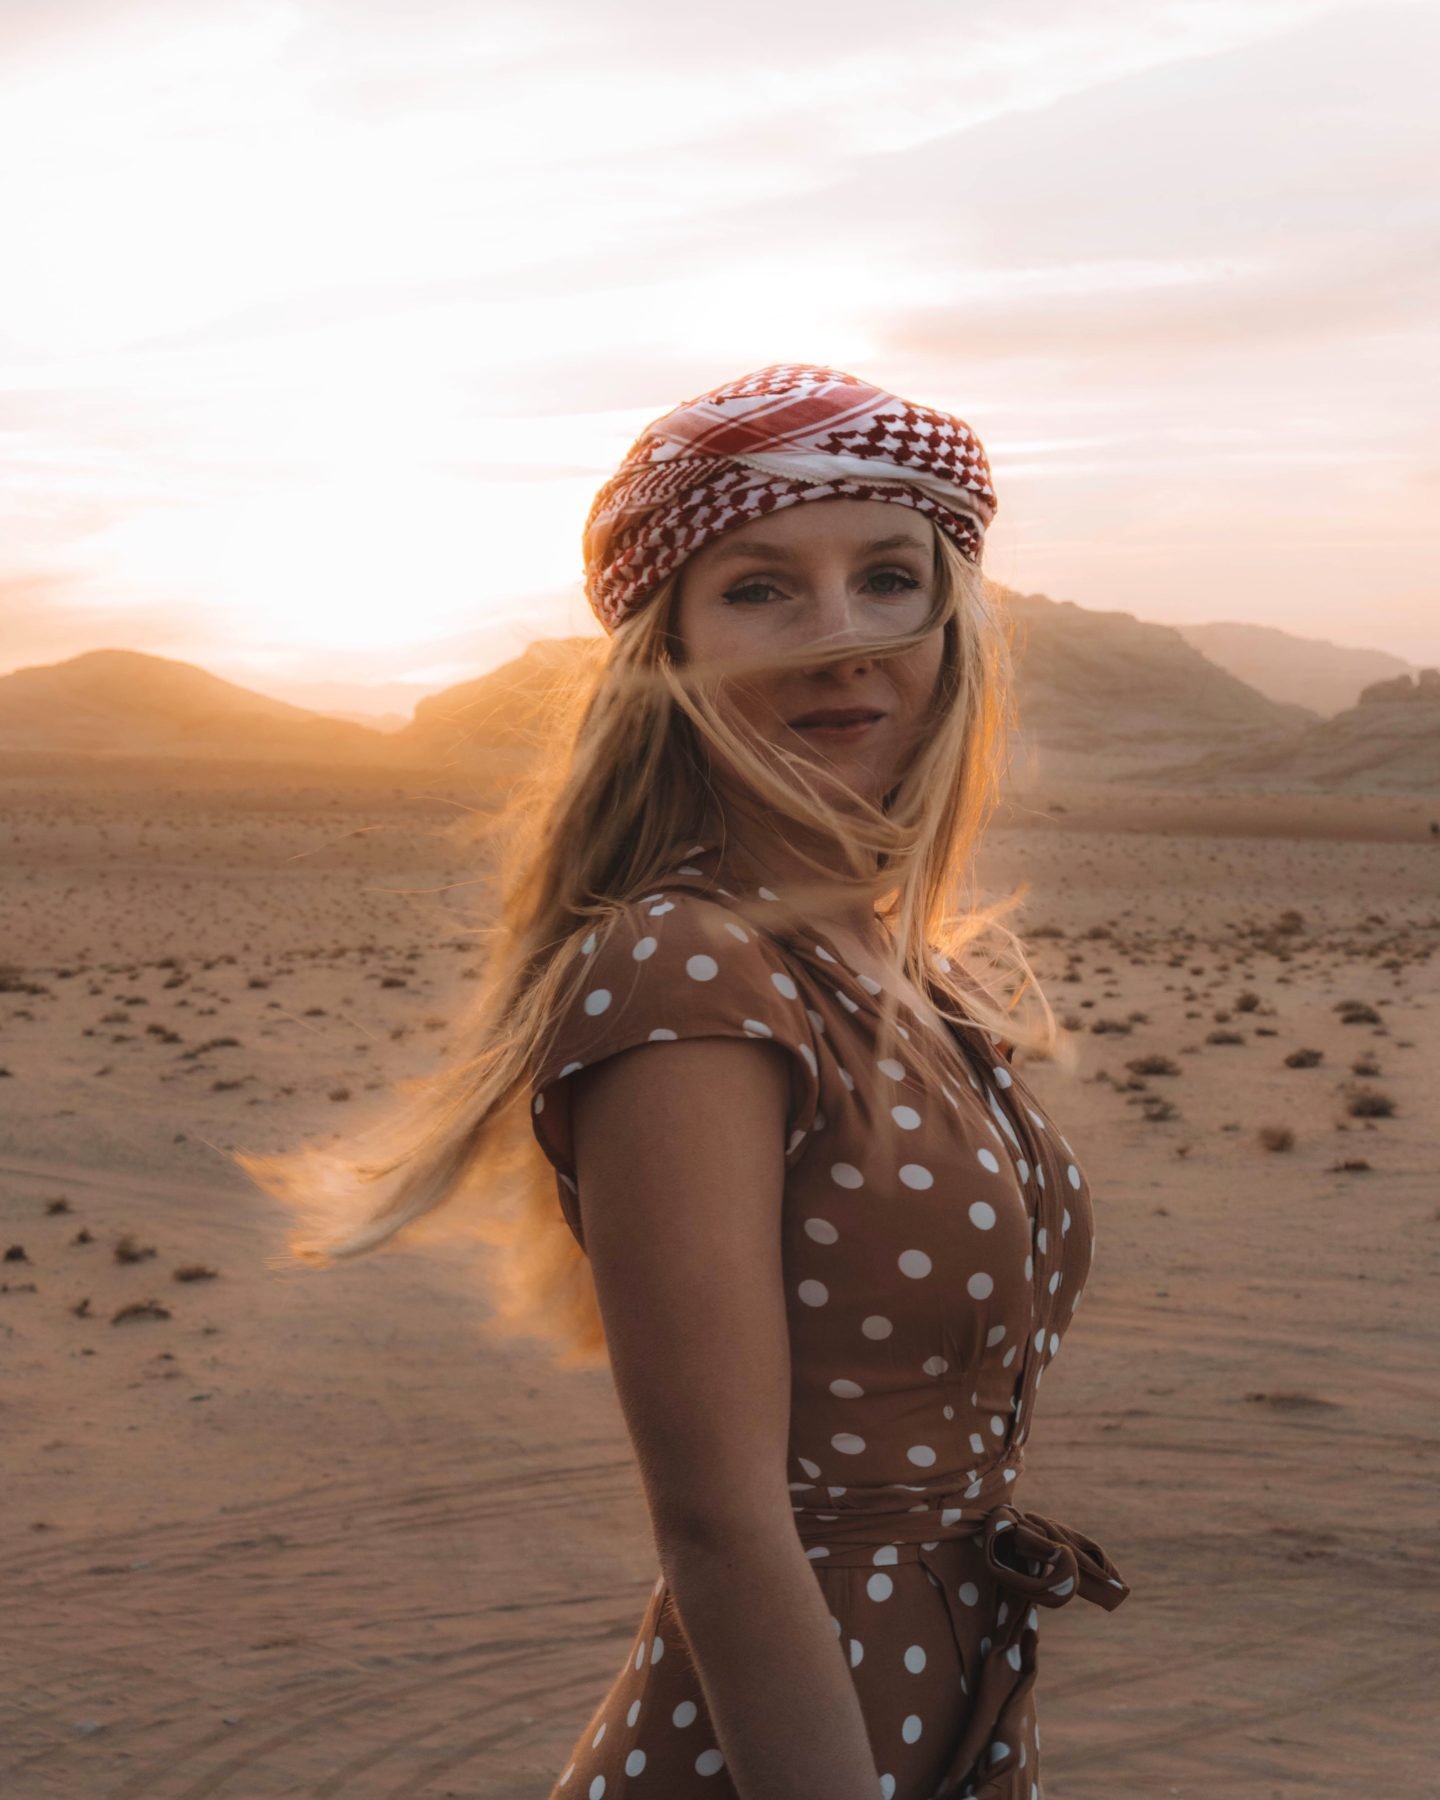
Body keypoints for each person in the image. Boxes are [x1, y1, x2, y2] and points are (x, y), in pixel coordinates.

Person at [236, 362, 1130, 1800]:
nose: (841, 638)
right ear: (671, 648)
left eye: (889, 579)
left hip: (948, 1717)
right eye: (762, 589)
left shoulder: (905, 972)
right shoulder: (687, 970)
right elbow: (722, 1526)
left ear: (948, 625)